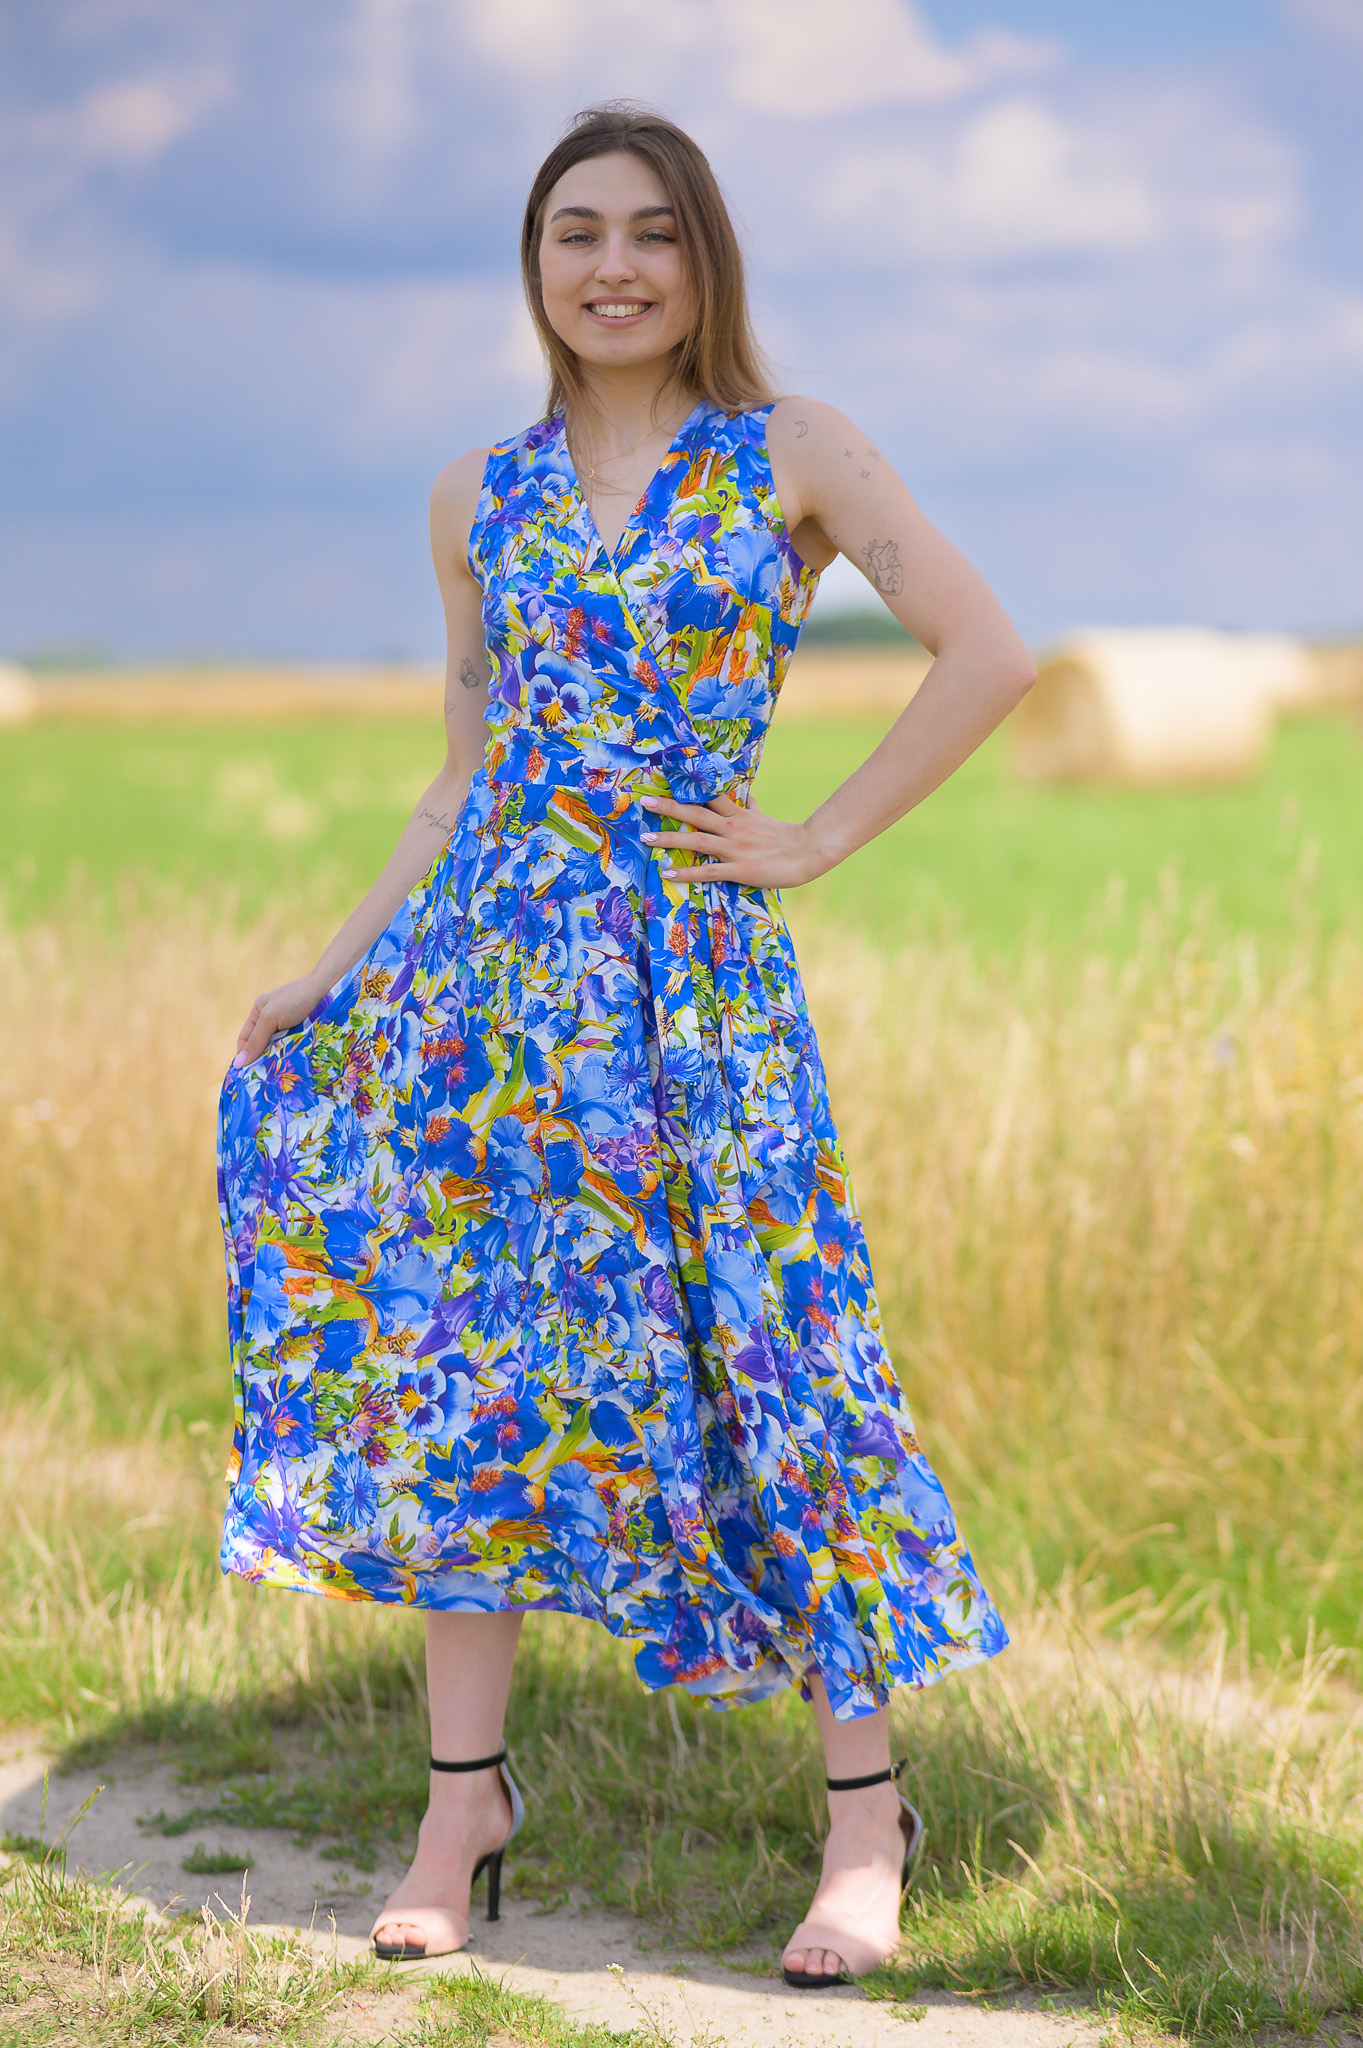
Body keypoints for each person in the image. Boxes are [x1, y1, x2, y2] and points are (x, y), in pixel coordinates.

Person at [218, 102, 1029, 1990]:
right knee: (475, 1375)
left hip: (696, 993)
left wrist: (817, 836)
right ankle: (462, 1810)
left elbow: (989, 653)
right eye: (575, 232)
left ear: (703, 257)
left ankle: (864, 1823)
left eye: (652, 232)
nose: (613, 265)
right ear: (535, 266)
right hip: (488, 1004)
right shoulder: (472, 494)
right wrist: (332, 971)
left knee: (779, 1360)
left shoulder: (792, 452)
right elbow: (462, 778)